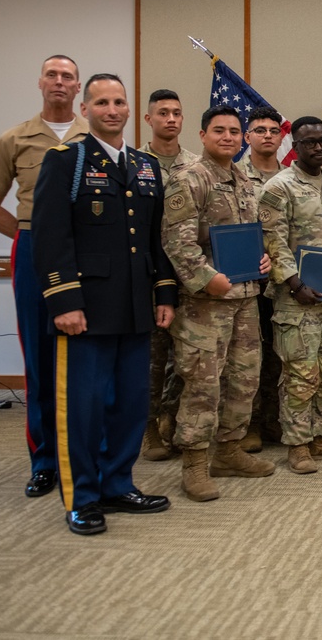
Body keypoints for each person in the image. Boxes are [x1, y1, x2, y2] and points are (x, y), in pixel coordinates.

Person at [31, 73, 177, 534]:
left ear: (130, 109)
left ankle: (118, 483)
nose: (112, 110)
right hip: (86, 309)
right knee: (84, 406)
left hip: (134, 305)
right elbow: (51, 237)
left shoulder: (145, 164)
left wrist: (164, 293)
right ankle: (84, 497)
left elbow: (155, 239)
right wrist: (64, 301)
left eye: (119, 102)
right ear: (85, 110)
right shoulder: (67, 160)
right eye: (102, 103)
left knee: (131, 404)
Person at [0, 55, 88, 497]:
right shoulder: (15, 139)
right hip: (33, 255)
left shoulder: (95, 135)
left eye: (67, 76)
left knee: (87, 358)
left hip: (88, 254)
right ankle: (43, 460)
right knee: (39, 359)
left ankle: (84, 453)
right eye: (52, 75)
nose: (59, 82)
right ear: (41, 82)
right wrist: (35, 236)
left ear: (79, 87)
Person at [162, 105, 275, 502]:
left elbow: (249, 235)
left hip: (244, 296)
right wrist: (207, 280)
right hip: (204, 302)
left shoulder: (244, 181)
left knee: (244, 379)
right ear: (203, 135)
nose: (227, 136)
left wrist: (264, 259)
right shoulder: (190, 179)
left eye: (233, 131)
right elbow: (177, 242)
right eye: (219, 130)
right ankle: (194, 462)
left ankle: (228, 451)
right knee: (202, 382)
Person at [258, 116, 322, 473]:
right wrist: (294, 283)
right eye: (310, 142)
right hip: (296, 298)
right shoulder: (278, 187)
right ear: (295, 147)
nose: (318, 147)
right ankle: (298, 444)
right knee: (300, 372)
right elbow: (273, 241)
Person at [139, 88, 199, 461]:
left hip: (189, 275)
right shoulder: (133, 164)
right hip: (147, 276)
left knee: (187, 358)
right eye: (163, 113)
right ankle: (149, 428)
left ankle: (172, 421)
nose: (171, 119)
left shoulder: (195, 165)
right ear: (149, 119)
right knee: (152, 358)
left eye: (177, 112)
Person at [236, 106, 287, 453]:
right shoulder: (234, 175)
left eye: (273, 130)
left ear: (282, 137)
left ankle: (272, 418)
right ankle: (248, 424)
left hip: (283, 281)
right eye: (260, 130)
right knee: (246, 358)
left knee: (278, 354)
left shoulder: (292, 177)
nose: (267, 135)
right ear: (247, 136)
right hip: (246, 280)